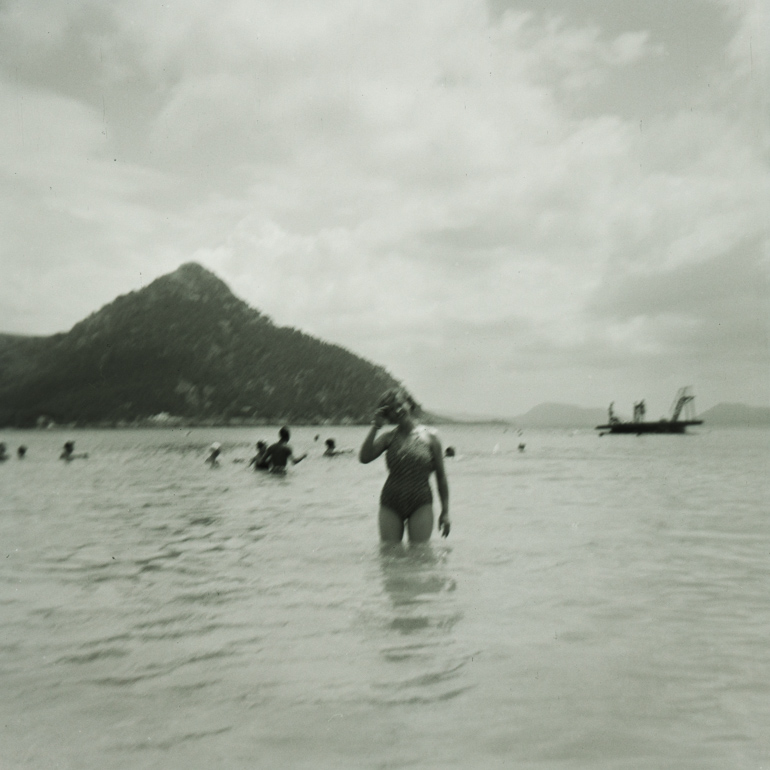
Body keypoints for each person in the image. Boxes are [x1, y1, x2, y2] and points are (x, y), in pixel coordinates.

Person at [359, 388, 450, 543]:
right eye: (391, 409)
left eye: (399, 404)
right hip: (391, 502)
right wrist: (375, 427)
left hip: (421, 501)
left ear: (409, 403)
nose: (397, 411)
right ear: (388, 415)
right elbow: (364, 458)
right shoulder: (388, 438)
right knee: (389, 553)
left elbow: (441, 477)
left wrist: (445, 512)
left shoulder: (430, 438)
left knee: (420, 553)